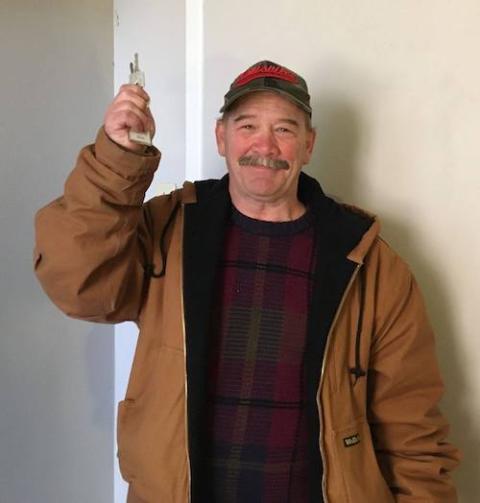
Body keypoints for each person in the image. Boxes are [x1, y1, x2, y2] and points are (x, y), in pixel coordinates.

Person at [34, 60, 460, 502]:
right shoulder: (168, 228)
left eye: (285, 129)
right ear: (221, 137)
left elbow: (411, 430)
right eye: (248, 125)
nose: (265, 145)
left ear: (309, 145)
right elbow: (79, 285)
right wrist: (117, 160)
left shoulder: (369, 264)